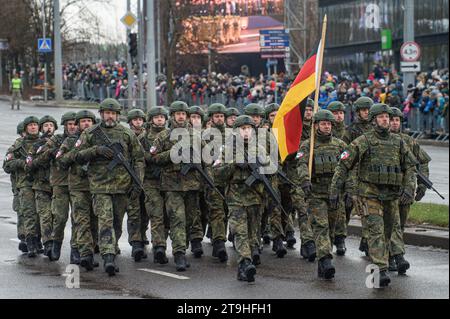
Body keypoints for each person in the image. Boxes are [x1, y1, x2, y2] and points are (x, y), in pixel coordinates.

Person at [330, 104, 416, 287]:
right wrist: (335, 189)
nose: (386, 119)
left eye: (387, 116)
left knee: (387, 233)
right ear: (374, 120)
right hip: (370, 195)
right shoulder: (363, 141)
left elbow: (410, 166)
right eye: (381, 117)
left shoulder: (398, 142)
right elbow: (343, 165)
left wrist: (409, 188)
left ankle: (381, 265)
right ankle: (381, 270)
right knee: (376, 232)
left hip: (391, 197)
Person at [75, 98, 145, 276]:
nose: (110, 116)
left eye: (113, 113)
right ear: (101, 114)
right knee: (105, 222)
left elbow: (138, 159)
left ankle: (111, 248)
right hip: (99, 187)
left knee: (116, 224)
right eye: (107, 113)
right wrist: (95, 150)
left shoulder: (127, 134)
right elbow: (77, 156)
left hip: (122, 187)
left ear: (118, 115)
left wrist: (138, 181)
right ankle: (108, 257)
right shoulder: (90, 133)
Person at [214, 115, 269, 282]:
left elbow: (268, 174)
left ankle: (247, 262)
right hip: (236, 198)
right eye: (243, 129)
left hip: (255, 198)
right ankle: (244, 263)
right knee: (240, 232)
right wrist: (234, 164)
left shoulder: (259, 149)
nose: (246, 131)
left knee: (254, 233)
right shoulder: (227, 150)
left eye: (249, 128)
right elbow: (217, 174)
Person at [151, 101, 204, 271]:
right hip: (172, 186)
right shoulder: (164, 136)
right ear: (172, 116)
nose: (181, 116)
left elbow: (207, 160)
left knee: (189, 220)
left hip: (192, 185)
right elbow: (154, 158)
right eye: (178, 114)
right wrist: (174, 152)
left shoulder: (196, 136)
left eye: (183, 114)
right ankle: (179, 254)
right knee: (177, 219)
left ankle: (182, 247)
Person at [297, 110, 347, 280]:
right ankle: (325, 259)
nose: (327, 126)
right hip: (316, 194)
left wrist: (348, 189)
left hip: (334, 194)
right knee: (321, 226)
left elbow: (348, 167)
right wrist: (305, 180)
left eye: (329, 124)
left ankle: (323, 259)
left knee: (331, 229)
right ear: (316, 125)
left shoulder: (340, 145)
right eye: (323, 123)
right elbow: (302, 164)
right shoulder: (307, 145)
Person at [388, 107, 431, 272]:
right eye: (391, 119)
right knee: (393, 225)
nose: (394, 123)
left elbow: (424, 162)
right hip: (388, 190)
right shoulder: (380, 140)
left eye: (397, 120)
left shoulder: (410, 141)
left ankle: (392, 252)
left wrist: (422, 185)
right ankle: (394, 257)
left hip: (406, 189)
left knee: (401, 225)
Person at [57, 110, 99, 271]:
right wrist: (79, 150)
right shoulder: (71, 141)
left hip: (97, 186)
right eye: (83, 121)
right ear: (78, 124)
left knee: (95, 221)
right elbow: (61, 160)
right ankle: (77, 251)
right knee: (80, 220)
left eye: (89, 121)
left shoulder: (99, 139)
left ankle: (89, 252)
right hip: (78, 186)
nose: (86, 124)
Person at [35, 112, 79, 263]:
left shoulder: (83, 139)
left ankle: (75, 249)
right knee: (59, 218)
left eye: (74, 124)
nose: (72, 127)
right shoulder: (56, 139)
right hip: (60, 184)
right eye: (69, 124)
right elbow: (39, 159)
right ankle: (56, 244)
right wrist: (51, 152)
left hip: (79, 185)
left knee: (78, 219)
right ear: (65, 126)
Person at [342, 96, 374, 256]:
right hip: (353, 173)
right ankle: (339, 235)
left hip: (370, 175)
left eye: (368, 110)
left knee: (368, 210)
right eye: (363, 110)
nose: (366, 113)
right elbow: (344, 153)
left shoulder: (378, 128)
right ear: (358, 112)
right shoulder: (351, 130)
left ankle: (367, 241)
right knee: (347, 207)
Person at [4, 116, 40, 257]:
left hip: (41, 184)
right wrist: (21, 163)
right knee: (26, 213)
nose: (32, 128)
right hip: (23, 184)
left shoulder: (43, 143)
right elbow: (7, 165)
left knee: (40, 214)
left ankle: (37, 239)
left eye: (35, 125)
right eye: (30, 126)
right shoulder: (17, 145)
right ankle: (26, 239)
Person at [141, 106, 170, 264]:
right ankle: (159, 247)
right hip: (151, 181)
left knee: (167, 215)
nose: (160, 119)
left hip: (170, 181)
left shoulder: (172, 135)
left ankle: (162, 242)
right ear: (151, 119)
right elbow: (139, 157)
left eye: (162, 117)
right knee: (156, 213)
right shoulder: (144, 138)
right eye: (156, 117)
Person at [28, 116, 58, 258]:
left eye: (51, 125)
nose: (48, 128)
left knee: (56, 217)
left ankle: (54, 242)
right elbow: (30, 164)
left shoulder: (60, 142)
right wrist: (46, 154)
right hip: (41, 186)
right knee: (45, 216)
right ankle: (48, 244)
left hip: (58, 186)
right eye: (45, 125)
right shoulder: (36, 146)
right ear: (41, 128)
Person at [126, 109, 148, 262]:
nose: (138, 122)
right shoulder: (126, 135)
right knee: (133, 212)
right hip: (130, 178)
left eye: (140, 119)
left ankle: (142, 233)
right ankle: (135, 243)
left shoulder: (149, 136)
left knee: (145, 211)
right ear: (130, 121)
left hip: (148, 179)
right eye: (135, 119)